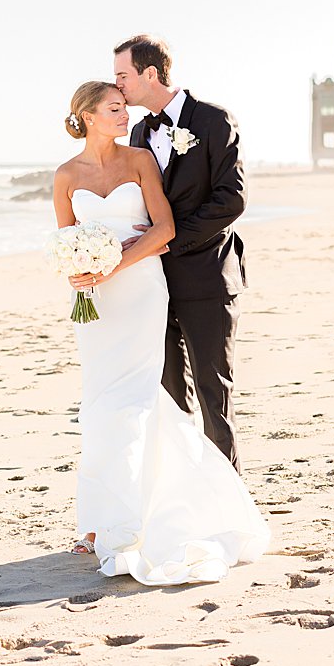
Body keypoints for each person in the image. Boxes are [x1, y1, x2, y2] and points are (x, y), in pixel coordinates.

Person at [53, 81, 269, 586]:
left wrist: (113, 265)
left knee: (138, 398)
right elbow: (64, 240)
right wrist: (78, 271)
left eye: (125, 107)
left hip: (143, 290)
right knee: (100, 402)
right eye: (114, 108)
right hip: (97, 303)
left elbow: (164, 228)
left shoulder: (140, 162)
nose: (125, 115)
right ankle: (101, 517)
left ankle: (144, 514)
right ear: (86, 115)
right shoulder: (65, 175)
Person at [113, 35, 248, 471]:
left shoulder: (212, 119)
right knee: (170, 397)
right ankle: (186, 496)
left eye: (122, 76)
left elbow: (231, 200)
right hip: (154, 285)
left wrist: (169, 239)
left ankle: (229, 503)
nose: (116, 87)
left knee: (214, 396)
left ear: (150, 74)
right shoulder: (138, 132)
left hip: (208, 278)